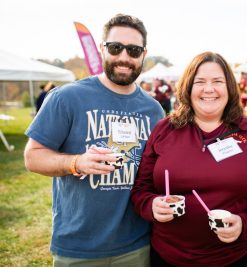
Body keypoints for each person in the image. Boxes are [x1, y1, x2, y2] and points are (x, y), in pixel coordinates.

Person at [24, 14, 164, 267]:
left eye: (133, 50)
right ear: (102, 48)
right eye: (115, 47)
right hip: (78, 247)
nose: (124, 57)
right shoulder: (66, 97)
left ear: (144, 53)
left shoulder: (154, 110)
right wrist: (76, 162)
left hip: (136, 244)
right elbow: (32, 156)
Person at [131, 51, 247, 267]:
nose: (209, 89)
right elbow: (140, 189)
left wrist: (244, 224)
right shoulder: (164, 130)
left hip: (228, 260)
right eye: (200, 81)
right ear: (188, 87)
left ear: (229, 87)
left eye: (217, 81)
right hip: (166, 257)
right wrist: (151, 205)